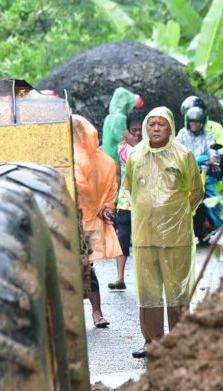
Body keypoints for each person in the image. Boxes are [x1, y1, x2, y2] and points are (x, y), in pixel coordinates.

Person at [124, 106, 204, 358]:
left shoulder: (183, 155)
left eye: (161, 124)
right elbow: (129, 188)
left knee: (177, 289)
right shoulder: (136, 155)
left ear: (170, 127)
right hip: (145, 234)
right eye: (152, 124)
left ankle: (180, 340)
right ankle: (152, 341)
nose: (155, 128)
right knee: (148, 289)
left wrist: (178, 214)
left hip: (176, 236)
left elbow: (196, 190)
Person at [72, 114, 123, 328]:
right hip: (84, 220)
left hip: (78, 220)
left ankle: (94, 312)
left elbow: (81, 188)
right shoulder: (98, 158)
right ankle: (96, 313)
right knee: (86, 268)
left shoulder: (79, 157)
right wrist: (104, 207)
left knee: (84, 268)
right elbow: (110, 186)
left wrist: (99, 207)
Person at [176, 106, 223, 243]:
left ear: (202, 122)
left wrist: (214, 159)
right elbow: (175, 152)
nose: (195, 124)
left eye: (198, 122)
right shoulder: (182, 137)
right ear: (188, 122)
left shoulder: (208, 136)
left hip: (204, 173)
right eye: (192, 121)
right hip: (187, 175)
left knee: (216, 197)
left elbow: (212, 149)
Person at [108, 108, 145, 290]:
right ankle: (120, 278)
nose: (137, 133)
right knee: (122, 239)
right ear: (128, 129)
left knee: (144, 241)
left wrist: (136, 143)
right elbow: (132, 159)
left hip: (145, 202)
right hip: (125, 201)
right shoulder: (123, 147)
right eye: (133, 129)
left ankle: (145, 279)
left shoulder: (150, 147)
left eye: (140, 129)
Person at [102, 87, 138, 164]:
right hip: (115, 162)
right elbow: (128, 139)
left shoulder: (108, 118)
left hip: (106, 160)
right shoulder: (119, 118)